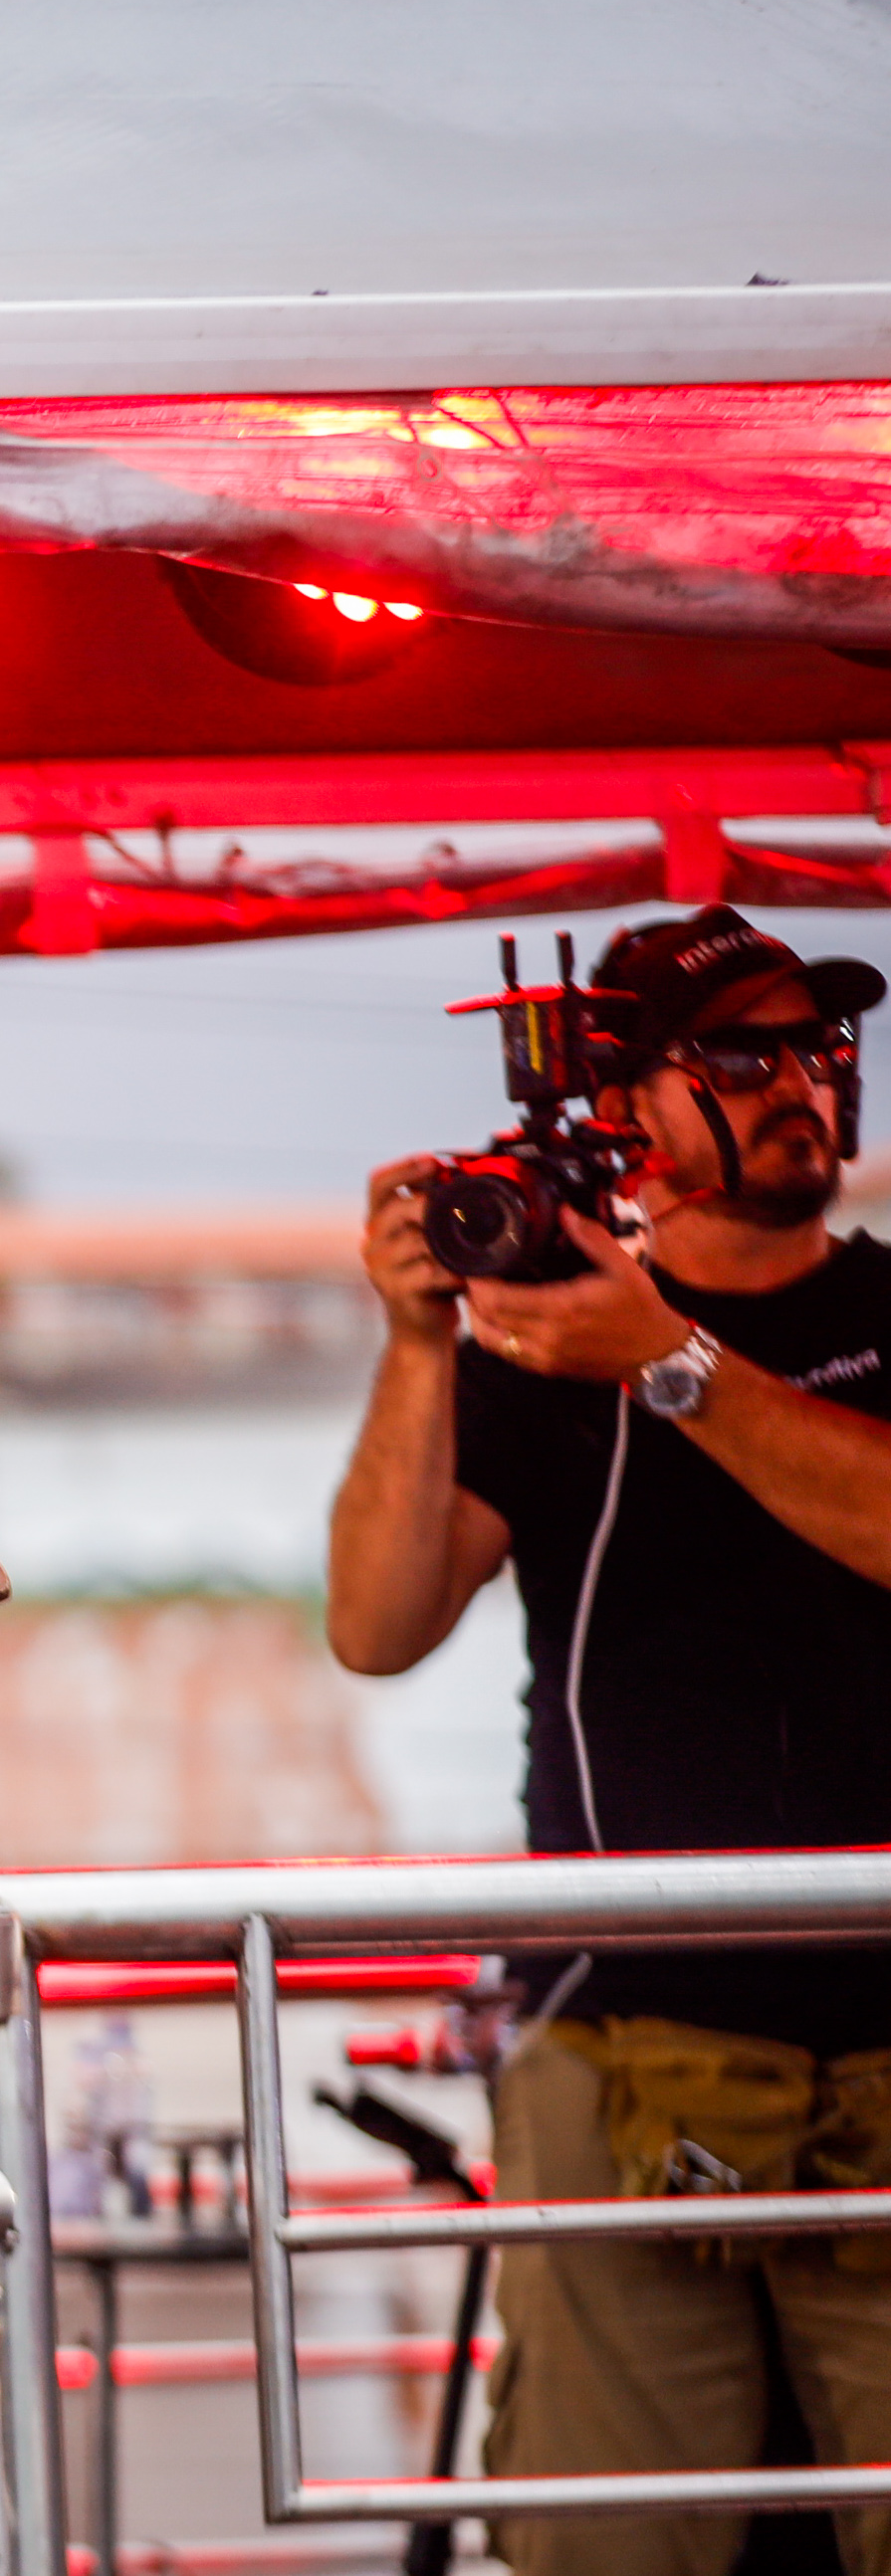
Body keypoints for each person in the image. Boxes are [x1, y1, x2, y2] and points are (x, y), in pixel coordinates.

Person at [329, 906, 891, 2576]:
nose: (802, 1083)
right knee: (615, 2540)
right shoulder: (541, 1344)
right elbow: (376, 1624)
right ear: (623, 1105)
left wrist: (677, 1364)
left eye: (822, 1045)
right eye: (741, 1055)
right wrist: (420, 1337)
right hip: (622, 2027)